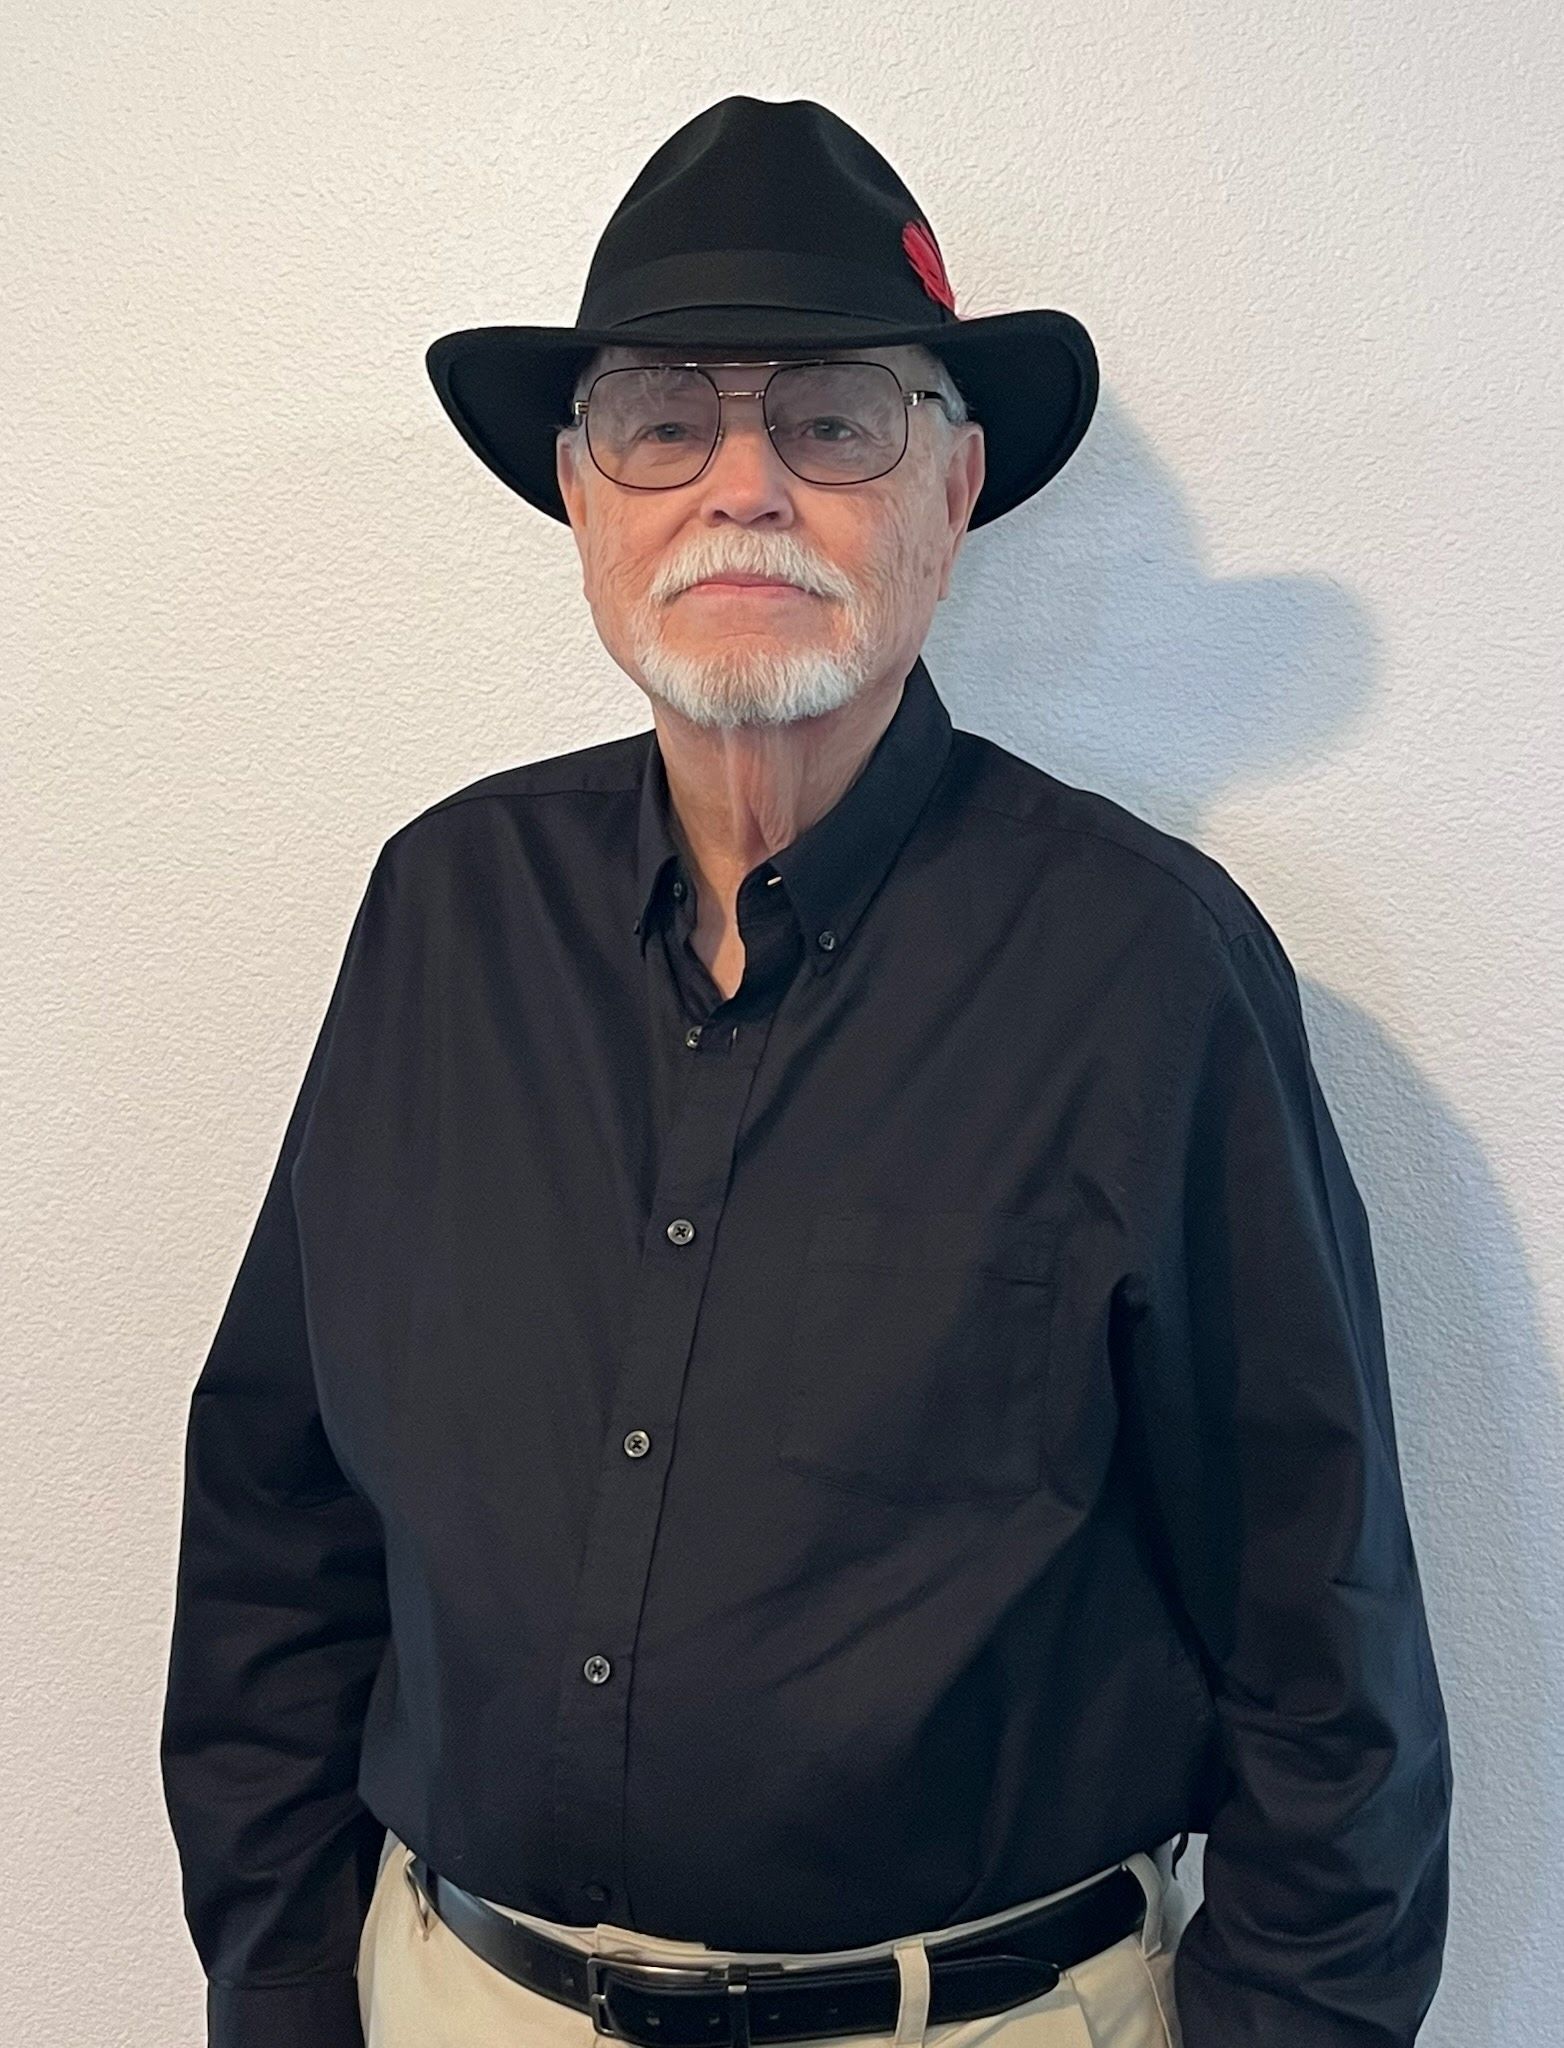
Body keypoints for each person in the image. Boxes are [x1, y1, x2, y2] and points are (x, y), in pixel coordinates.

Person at [160, 95, 1453, 2048]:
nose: (740, 485)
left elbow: (1319, 1644)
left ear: (950, 494)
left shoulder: (1142, 971)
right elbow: (279, 1515)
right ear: (583, 501)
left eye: (834, 419)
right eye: (664, 420)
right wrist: (276, 1980)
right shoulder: (442, 914)